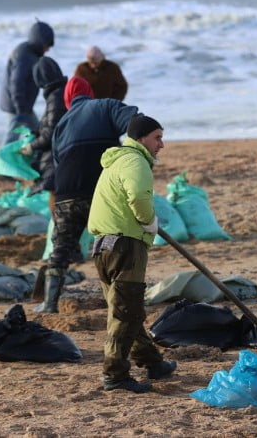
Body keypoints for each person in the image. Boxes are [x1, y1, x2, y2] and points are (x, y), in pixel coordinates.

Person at [88, 113, 176, 393]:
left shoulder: (116, 162)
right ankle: (115, 375)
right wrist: (148, 220)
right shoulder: (135, 161)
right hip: (126, 245)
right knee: (126, 312)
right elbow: (137, 196)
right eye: (157, 138)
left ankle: (153, 362)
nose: (161, 145)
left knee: (128, 308)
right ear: (141, 139)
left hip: (103, 245)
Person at [36, 76, 137, 313]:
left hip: (66, 195)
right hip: (100, 193)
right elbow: (135, 123)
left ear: (68, 99)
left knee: (60, 249)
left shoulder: (61, 124)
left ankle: (50, 304)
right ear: (89, 93)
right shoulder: (106, 106)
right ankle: (118, 298)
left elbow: (56, 162)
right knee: (113, 241)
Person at [0, 20, 54, 145]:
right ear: (39, 42)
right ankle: (0, 161)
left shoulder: (31, 52)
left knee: (35, 132)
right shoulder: (24, 55)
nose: (48, 49)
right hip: (16, 106)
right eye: (47, 45)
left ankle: (33, 160)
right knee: (13, 135)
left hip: (23, 105)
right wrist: (20, 110)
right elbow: (16, 83)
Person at [19, 56, 68, 193]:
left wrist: (31, 146)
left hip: (56, 156)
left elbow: (51, 132)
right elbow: (51, 123)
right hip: (63, 151)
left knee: (52, 189)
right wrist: (36, 133)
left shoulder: (55, 97)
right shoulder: (61, 91)